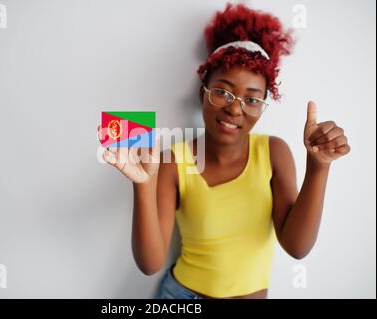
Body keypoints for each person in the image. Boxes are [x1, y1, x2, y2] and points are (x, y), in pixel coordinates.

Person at [97, 3, 350, 299]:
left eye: (252, 99)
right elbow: (150, 263)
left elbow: (297, 247)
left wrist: (319, 168)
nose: (234, 108)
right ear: (202, 92)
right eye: (222, 92)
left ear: (263, 106)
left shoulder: (274, 153)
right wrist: (142, 184)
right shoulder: (171, 159)